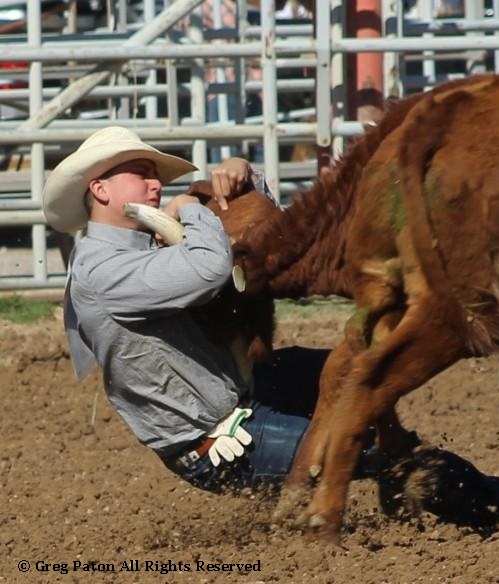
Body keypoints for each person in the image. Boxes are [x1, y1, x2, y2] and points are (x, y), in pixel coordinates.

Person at [42, 126, 375, 495]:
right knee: (373, 447)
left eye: (155, 175)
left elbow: (263, 237)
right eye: (141, 174)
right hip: (218, 439)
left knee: (368, 370)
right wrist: (190, 208)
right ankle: (439, 494)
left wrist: (242, 175)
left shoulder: (141, 249)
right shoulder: (103, 271)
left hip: (245, 394)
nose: (155, 185)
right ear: (100, 190)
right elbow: (211, 269)